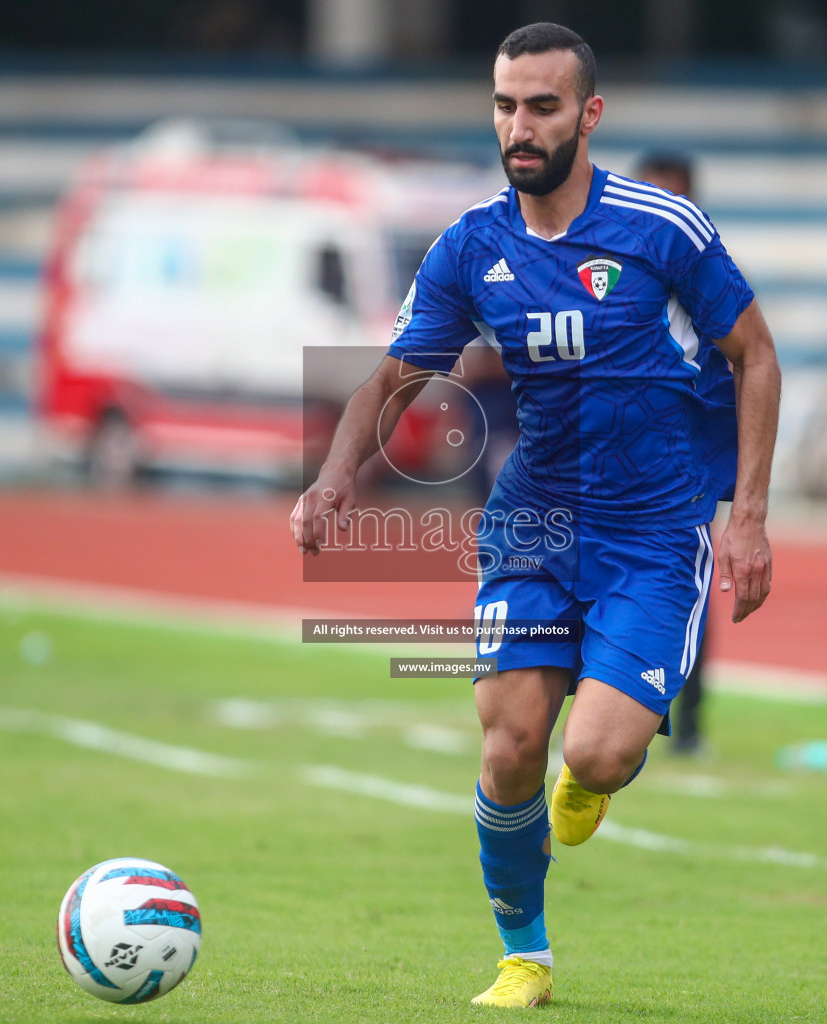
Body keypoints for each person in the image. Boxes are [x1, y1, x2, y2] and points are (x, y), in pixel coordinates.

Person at [291, 23, 780, 1007]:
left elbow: (754, 355)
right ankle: (525, 954)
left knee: (593, 751)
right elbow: (395, 376)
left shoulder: (662, 227)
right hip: (534, 526)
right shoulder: (473, 244)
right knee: (510, 742)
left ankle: (597, 774)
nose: (521, 125)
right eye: (507, 105)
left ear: (588, 115)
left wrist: (749, 514)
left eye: (543, 106)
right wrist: (338, 476)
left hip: (650, 532)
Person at [633, 151, 715, 756]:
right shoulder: (600, 262)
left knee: (689, 594)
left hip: (678, 464)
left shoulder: (707, 272)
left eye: (675, 196)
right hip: (597, 462)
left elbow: (743, 361)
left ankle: (687, 723)